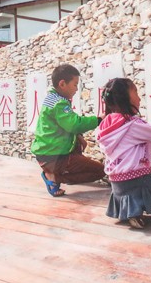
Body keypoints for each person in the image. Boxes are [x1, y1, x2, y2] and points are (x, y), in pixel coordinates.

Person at [96, 78, 151, 229]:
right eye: (135, 92)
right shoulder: (132, 124)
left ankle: (131, 212)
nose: (139, 97)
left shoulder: (107, 124)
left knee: (142, 187)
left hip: (117, 183)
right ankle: (137, 212)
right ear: (124, 98)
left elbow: (133, 138)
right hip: (137, 180)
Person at [31, 64, 105, 197]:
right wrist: (99, 119)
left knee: (78, 142)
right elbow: (74, 124)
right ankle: (53, 177)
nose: (76, 89)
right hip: (54, 156)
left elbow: (66, 124)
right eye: (75, 84)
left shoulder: (52, 98)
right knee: (101, 171)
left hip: (46, 152)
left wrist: (79, 136)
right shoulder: (60, 103)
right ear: (62, 84)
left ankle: (57, 172)